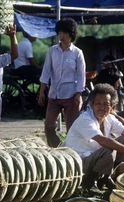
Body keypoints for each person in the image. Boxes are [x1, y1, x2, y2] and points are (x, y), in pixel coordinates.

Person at [66, 83, 124, 195]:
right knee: (107, 149)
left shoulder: (109, 118)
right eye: (98, 104)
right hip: (79, 164)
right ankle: (90, 183)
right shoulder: (85, 119)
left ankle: (115, 178)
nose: (101, 107)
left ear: (112, 108)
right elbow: (103, 141)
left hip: (96, 160)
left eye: (106, 104)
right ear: (91, 104)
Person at [38, 17, 86, 148]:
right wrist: (42, 91)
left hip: (71, 96)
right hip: (54, 94)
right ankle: (57, 148)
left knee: (72, 128)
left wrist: (78, 93)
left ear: (71, 35)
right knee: (48, 125)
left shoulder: (77, 53)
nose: (61, 36)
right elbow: (46, 72)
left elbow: (81, 75)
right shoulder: (52, 51)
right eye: (59, 33)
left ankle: (72, 151)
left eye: (64, 33)